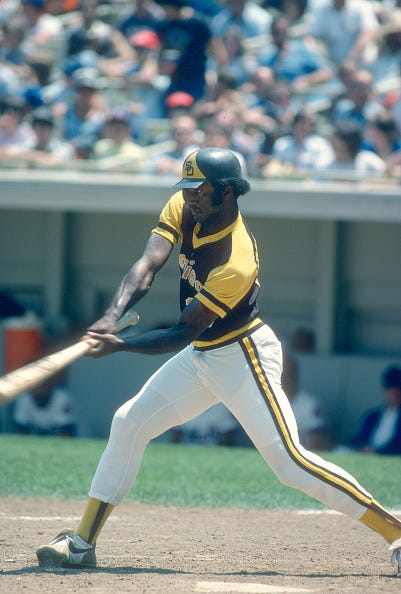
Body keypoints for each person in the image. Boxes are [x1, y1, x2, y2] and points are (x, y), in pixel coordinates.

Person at [35, 147, 401, 574]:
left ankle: (395, 531)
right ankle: (82, 544)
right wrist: (110, 316)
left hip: (244, 356)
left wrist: (119, 345)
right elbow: (149, 264)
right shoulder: (184, 205)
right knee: (128, 422)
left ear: (226, 193)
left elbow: (181, 332)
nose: (190, 196)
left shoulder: (235, 258)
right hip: (202, 356)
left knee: (290, 463)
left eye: (200, 189)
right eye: (187, 188)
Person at [335, 365, 401, 455]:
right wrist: (362, 447)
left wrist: (378, 452)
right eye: (390, 392)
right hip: (366, 451)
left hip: (386, 453)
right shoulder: (373, 416)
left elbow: (398, 443)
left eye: (397, 391)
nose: (394, 396)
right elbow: (360, 436)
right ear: (384, 391)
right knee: (341, 450)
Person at [281, 355, 329, 450]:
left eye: (291, 375)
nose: (288, 379)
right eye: (284, 375)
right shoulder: (264, 402)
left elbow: (316, 444)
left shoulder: (310, 405)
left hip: (300, 456)